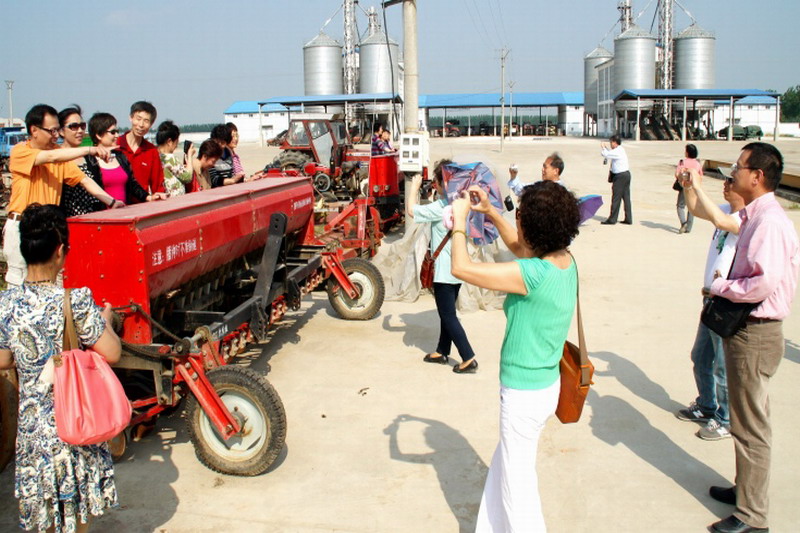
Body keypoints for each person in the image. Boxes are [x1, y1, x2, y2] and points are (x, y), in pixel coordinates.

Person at [450, 180, 580, 532]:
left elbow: (462, 268)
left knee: (517, 488)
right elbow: (520, 247)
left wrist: (460, 220)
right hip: (545, 386)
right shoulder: (564, 261)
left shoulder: (533, 274)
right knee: (505, 469)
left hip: (523, 396)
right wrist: (491, 211)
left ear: (533, 226)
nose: (516, 221)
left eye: (519, 216)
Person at [683, 143, 799, 533]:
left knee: (751, 427)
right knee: (744, 421)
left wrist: (721, 286)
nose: (733, 172)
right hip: (745, 330)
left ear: (758, 176)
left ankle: (753, 516)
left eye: (740, 166)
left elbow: (762, 283)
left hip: (757, 332)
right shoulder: (753, 216)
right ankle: (744, 490)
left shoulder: (770, 223)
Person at [0, 204, 122, 533]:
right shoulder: (75, 300)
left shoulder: (5, 303)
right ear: (59, 251)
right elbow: (112, 352)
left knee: (47, 520)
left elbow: (3, 360)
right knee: (76, 519)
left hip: (33, 434)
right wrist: (105, 321)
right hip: (75, 425)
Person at [4, 104, 120, 287]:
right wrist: (89, 149)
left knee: (51, 282)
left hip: (48, 228)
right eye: (51, 130)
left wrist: (112, 202)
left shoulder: (58, 154)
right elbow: (49, 158)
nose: (55, 135)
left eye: (57, 130)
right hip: (22, 226)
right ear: (34, 130)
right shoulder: (20, 151)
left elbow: (84, 180)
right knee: (18, 283)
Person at [673, 173, 744, 441]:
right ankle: (706, 405)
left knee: (722, 366)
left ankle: (726, 419)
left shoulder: (744, 218)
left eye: (731, 180)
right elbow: (695, 208)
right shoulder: (725, 210)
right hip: (710, 299)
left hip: (726, 303)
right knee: (701, 356)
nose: (726, 184)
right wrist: (688, 187)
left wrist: (699, 186)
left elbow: (720, 221)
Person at [407, 160, 477, 373]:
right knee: (447, 312)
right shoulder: (461, 204)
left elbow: (411, 211)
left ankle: (468, 357)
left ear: (441, 184)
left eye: (436, 181)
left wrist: (414, 187)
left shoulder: (440, 208)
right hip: (458, 267)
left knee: (448, 315)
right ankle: (442, 350)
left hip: (444, 271)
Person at [86, 113, 165, 206]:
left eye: (117, 131)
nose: (117, 135)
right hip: (102, 213)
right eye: (112, 132)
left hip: (124, 211)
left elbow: (133, 184)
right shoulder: (89, 161)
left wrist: (149, 197)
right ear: (99, 135)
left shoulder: (120, 157)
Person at [58, 105, 104, 217]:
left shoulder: (89, 157)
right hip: (68, 219)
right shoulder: (56, 157)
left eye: (82, 126)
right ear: (61, 131)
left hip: (94, 218)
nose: (80, 131)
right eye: (74, 127)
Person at [116, 101, 165, 197]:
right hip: (117, 203)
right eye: (138, 119)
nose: (141, 125)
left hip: (142, 203)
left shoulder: (151, 151)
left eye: (146, 121)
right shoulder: (116, 145)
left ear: (151, 124)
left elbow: (158, 186)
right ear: (131, 117)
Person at [156, 120, 194, 197]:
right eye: (176, 142)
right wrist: (190, 156)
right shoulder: (170, 158)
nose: (176, 145)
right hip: (174, 199)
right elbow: (187, 177)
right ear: (169, 142)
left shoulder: (155, 156)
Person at [600, 135, 633, 225]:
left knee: (616, 198)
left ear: (615, 142)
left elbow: (605, 154)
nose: (610, 144)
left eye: (611, 142)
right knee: (626, 197)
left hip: (620, 176)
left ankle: (612, 219)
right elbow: (609, 153)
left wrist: (603, 147)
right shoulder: (620, 150)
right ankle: (628, 218)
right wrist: (606, 149)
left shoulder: (618, 151)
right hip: (626, 175)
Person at [674, 143, 703, 234]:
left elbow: (677, 174)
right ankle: (689, 228)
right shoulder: (698, 163)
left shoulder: (682, 162)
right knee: (691, 207)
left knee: (680, 206)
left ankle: (684, 223)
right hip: (693, 187)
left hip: (684, 186)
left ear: (687, 152)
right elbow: (700, 176)